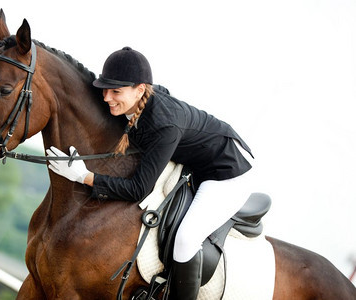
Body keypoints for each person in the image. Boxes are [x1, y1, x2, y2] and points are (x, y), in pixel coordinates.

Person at [46, 47, 255, 300]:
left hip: (228, 172)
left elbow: (138, 189)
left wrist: (84, 176)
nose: (106, 98)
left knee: (186, 240)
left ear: (141, 89)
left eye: (116, 92)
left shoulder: (164, 124)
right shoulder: (136, 103)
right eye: (105, 89)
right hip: (198, 161)